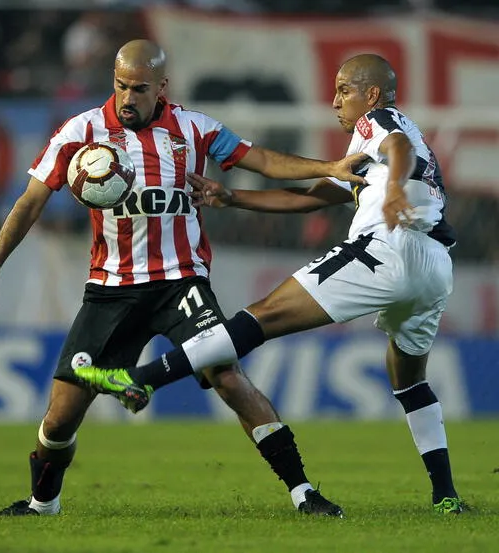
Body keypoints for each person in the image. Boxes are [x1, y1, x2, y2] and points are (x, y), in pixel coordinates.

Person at [0, 39, 366, 518]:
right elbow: (29, 201)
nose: (128, 97)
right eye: (121, 86)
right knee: (62, 412)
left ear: (161, 88)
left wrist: (330, 167)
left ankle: (303, 493)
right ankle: (43, 503)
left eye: (139, 89)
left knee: (227, 375)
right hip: (110, 290)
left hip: (180, 282)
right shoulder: (80, 132)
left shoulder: (194, 128)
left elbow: (264, 161)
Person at [73, 53, 464, 515]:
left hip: (390, 248)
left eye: (344, 89)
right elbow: (308, 199)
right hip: (435, 268)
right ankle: (446, 496)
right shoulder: (368, 162)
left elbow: (398, 144)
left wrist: (395, 187)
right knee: (409, 380)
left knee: (262, 316)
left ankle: (140, 379)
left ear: (372, 94)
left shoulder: (381, 121)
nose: (335, 99)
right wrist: (232, 197)